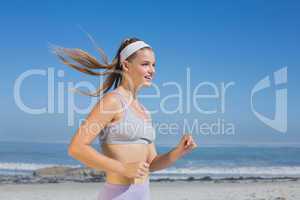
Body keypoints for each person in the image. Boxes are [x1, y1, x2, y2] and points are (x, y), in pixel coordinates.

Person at [53, 37, 198, 200]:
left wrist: (178, 151)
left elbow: (151, 164)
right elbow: (77, 148)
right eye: (145, 64)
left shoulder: (144, 112)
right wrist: (122, 168)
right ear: (127, 65)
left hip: (143, 194)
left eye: (154, 65)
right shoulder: (113, 101)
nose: (152, 70)